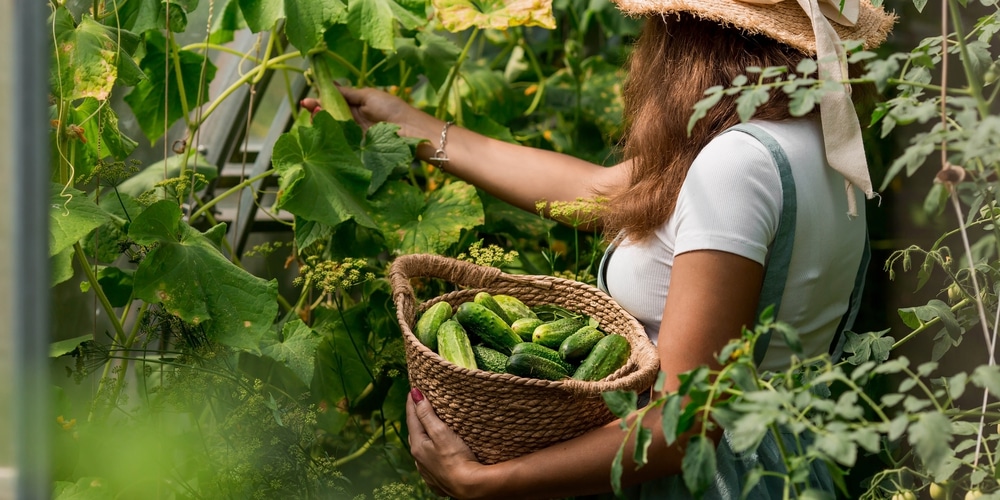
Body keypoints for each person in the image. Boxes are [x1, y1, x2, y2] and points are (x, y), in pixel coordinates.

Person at [336, 0, 894, 498]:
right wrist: (406, 122)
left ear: (691, 39)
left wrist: (488, 483)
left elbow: (682, 423)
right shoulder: (816, 146)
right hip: (786, 467)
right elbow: (597, 191)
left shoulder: (737, 167)